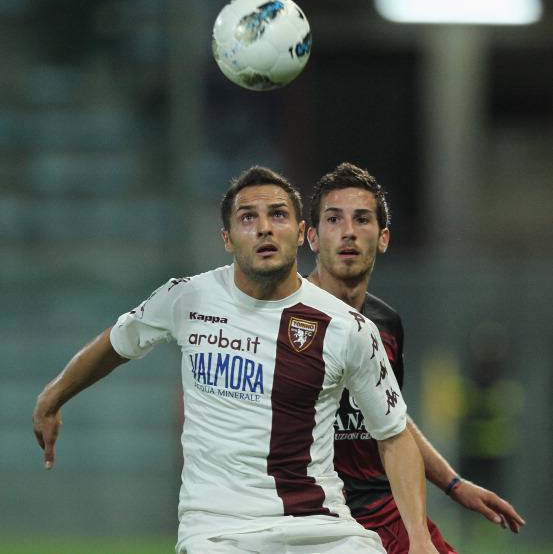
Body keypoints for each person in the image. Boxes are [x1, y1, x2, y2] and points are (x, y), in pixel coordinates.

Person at [33, 166, 440, 554]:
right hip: (219, 532)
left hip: (321, 528)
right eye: (248, 217)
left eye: (278, 215)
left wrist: (419, 540)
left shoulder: (348, 327)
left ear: (301, 233)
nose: (264, 227)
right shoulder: (188, 298)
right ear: (227, 238)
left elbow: (393, 435)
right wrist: (53, 397)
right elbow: (119, 341)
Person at [306, 162, 526, 554]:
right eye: (334, 219)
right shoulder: (282, 320)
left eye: (362, 219)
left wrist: (454, 485)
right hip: (311, 518)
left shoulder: (385, 324)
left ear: (383, 238)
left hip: (383, 511)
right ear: (312, 236)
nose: (348, 232)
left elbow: (391, 421)